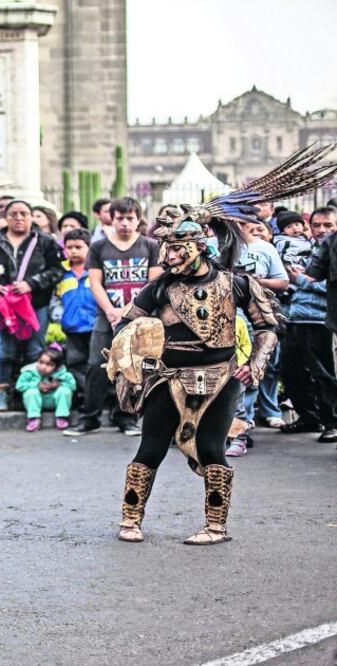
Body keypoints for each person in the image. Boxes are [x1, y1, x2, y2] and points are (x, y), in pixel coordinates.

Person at [107, 148, 329, 546]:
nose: (169, 256)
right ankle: (130, 518)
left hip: (221, 378)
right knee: (150, 448)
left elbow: (268, 326)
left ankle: (215, 526)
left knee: (212, 448)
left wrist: (255, 366)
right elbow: (126, 324)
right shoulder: (159, 287)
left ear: (200, 246)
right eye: (166, 249)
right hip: (167, 378)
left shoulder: (237, 282)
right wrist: (133, 358)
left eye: (177, 248)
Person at [65, 197, 160, 437]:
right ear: (112, 219)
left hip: (138, 318)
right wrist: (110, 311)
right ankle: (90, 418)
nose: (125, 223)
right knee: (96, 366)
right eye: (120, 218)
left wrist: (128, 310)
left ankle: (126, 417)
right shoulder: (99, 247)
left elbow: (153, 283)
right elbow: (95, 282)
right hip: (105, 317)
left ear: (138, 219)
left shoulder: (150, 246)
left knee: (131, 367)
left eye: (130, 218)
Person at [0, 200, 65, 411]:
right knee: (2, 351)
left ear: (31, 216)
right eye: (13, 214)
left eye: (24, 213)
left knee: (34, 350)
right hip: (3, 307)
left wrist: (32, 284)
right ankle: (0, 395)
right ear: (5, 217)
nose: (19, 218)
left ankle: (34, 395)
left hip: (35, 305)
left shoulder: (45, 241)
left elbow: (57, 270)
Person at [283, 207, 337, 443]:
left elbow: (327, 284)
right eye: (316, 225)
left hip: (321, 320)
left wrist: (300, 280)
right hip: (295, 318)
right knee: (292, 372)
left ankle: (332, 423)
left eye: (328, 225)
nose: (321, 230)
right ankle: (309, 417)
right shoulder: (301, 248)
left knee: (323, 374)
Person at [235, 218, 289, 430]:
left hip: (258, 316)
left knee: (260, 367)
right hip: (225, 318)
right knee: (236, 370)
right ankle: (240, 421)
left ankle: (261, 414)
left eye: (239, 222)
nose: (235, 226)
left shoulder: (265, 248)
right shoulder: (213, 245)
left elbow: (283, 282)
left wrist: (255, 282)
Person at [51, 228, 96, 396]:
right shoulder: (62, 273)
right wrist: (60, 318)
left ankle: (99, 397)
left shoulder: (96, 271)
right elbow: (55, 300)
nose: (74, 251)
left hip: (94, 326)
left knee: (96, 364)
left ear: (89, 248)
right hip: (71, 328)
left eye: (79, 247)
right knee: (74, 363)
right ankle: (85, 397)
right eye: (69, 247)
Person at [15, 345, 76, 431]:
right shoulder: (29, 372)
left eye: (49, 364)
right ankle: (33, 418)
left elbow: (73, 386)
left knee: (65, 391)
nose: (44, 367)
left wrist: (59, 385)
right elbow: (19, 386)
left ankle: (62, 417)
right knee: (31, 392)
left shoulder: (64, 374)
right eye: (41, 362)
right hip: (37, 401)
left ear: (57, 367)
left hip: (54, 401)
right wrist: (36, 385)